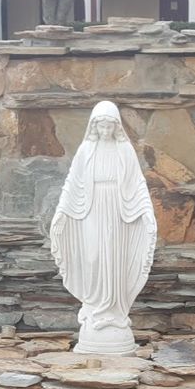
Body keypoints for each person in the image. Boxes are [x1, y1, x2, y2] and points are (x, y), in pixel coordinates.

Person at [48, 101, 158, 355]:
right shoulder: (86, 149)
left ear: (117, 126)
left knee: (114, 259)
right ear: (94, 126)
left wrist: (146, 212)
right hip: (92, 209)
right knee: (94, 257)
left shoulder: (125, 151)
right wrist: (62, 211)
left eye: (110, 125)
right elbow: (72, 182)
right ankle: (95, 307)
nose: (106, 129)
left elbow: (137, 184)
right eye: (101, 125)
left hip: (118, 210)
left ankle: (114, 311)